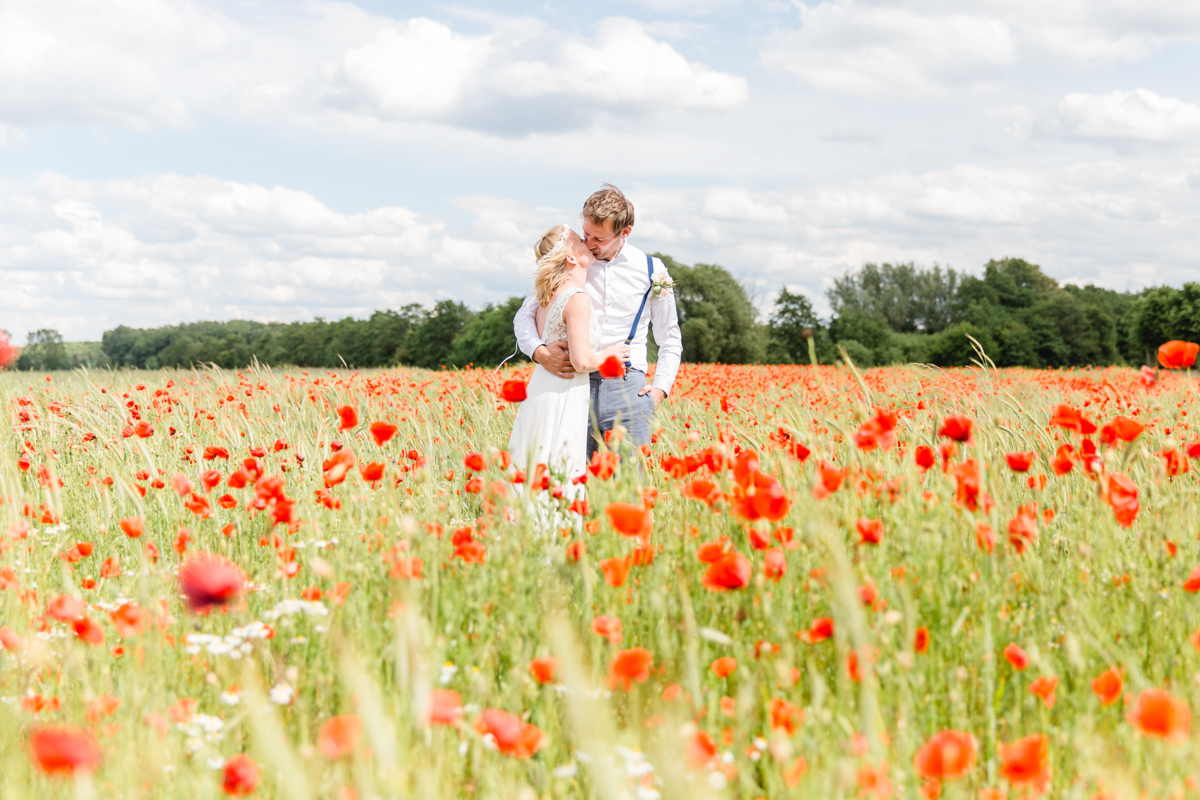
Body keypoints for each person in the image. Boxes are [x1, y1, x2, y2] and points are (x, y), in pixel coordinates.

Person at [514, 185, 683, 460]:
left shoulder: (652, 270)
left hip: (629, 388)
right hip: (574, 384)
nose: (589, 243)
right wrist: (539, 352)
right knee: (573, 480)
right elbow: (524, 316)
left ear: (624, 232)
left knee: (630, 487)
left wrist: (661, 389)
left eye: (599, 238)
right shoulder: (571, 261)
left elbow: (670, 337)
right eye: (586, 234)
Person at [507, 224, 631, 492]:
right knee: (559, 468)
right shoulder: (576, 298)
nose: (588, 241)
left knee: (538, 464)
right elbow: (582, 361)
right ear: (571, 257)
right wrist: (611, 354)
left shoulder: (546, 297)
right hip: (565, 390)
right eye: (581, 240)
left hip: (542, 387)